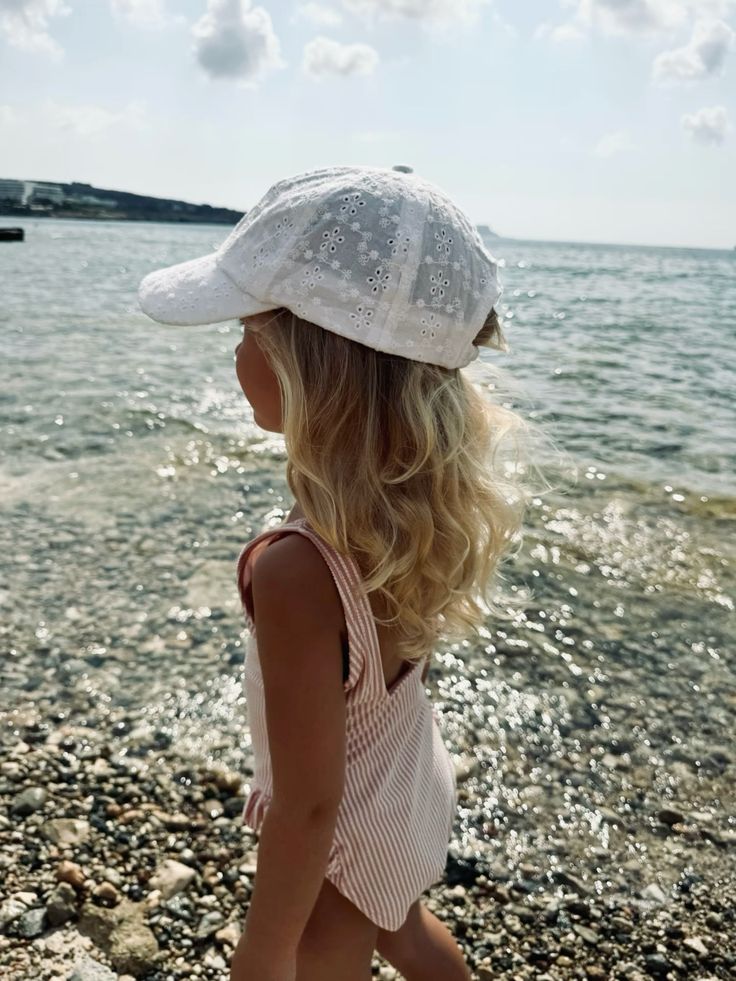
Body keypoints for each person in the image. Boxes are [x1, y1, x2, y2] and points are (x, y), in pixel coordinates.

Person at [138, 165, 530, 981]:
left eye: (247, 331)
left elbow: (310, 807)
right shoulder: (399, 511)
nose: (235, 353)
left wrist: (261, 954)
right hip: (403, 785)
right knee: (404, 927)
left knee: (335, 951)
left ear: (307, 365)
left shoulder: (297, 568)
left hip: (344, 833)